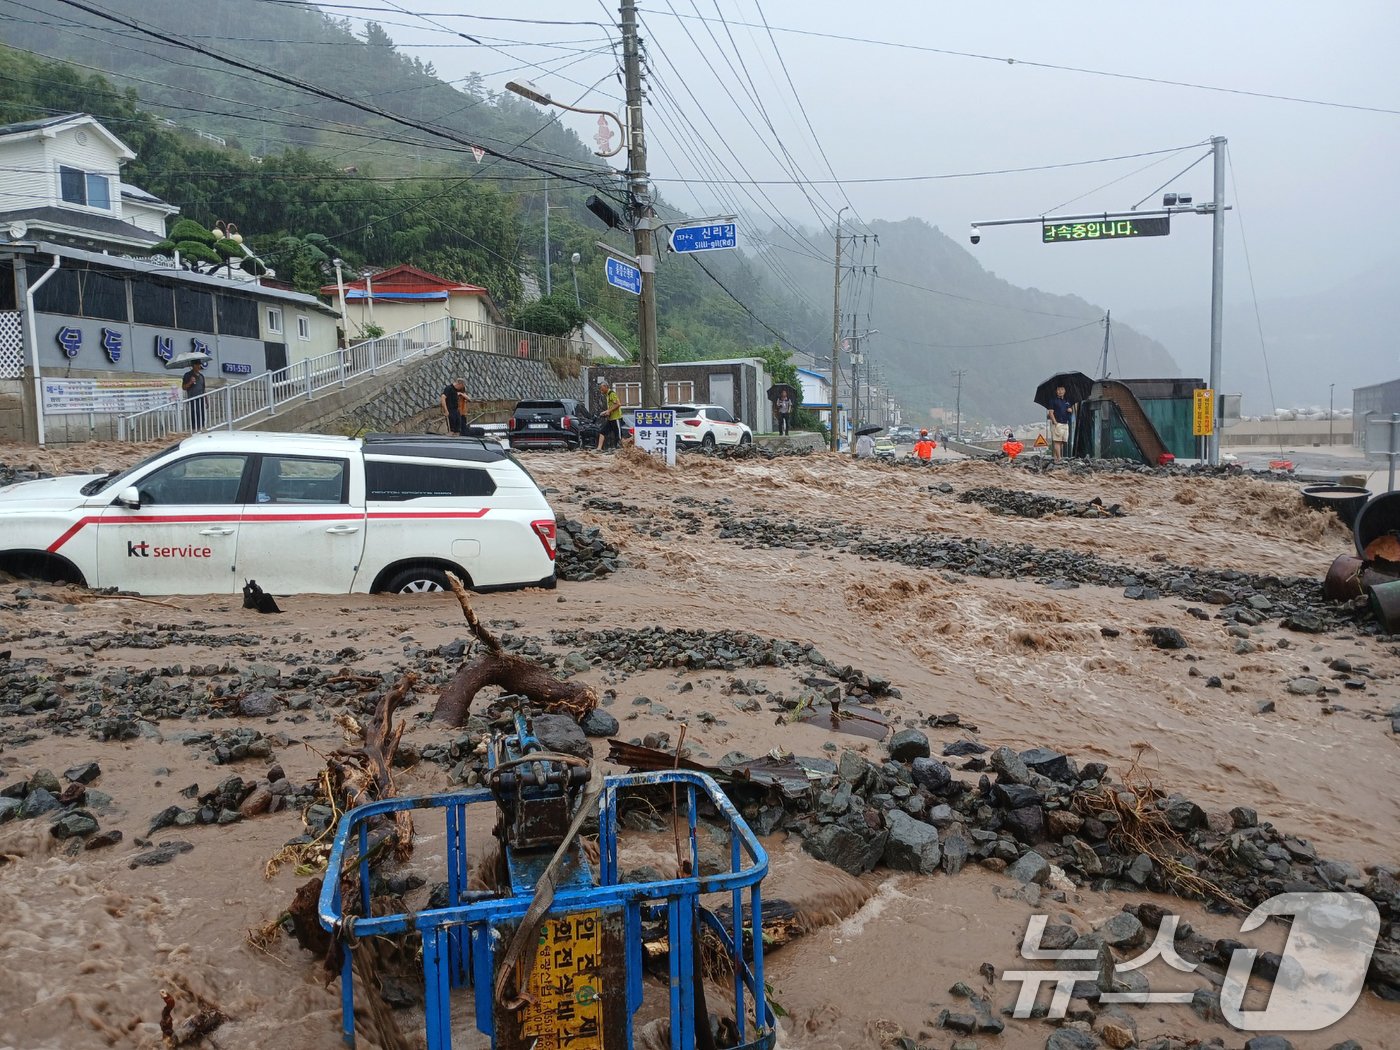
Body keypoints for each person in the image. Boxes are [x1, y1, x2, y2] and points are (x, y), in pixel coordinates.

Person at [1047, 384, 1075, 460]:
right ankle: (1059, 458)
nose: (1060, 391)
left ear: (1065, 391)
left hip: (1065, 423)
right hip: (1057, 423)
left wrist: (1070, 410)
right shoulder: (1053, 400)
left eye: (1062, 389)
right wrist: (1055, 422)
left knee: (1062, 441)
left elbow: (1069, 410)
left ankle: (1056, 456)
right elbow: (1050, 412)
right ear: (1056, 391)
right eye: (1058, 390)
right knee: (1057, 441)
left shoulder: (1067, 401)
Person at [596, 379, 623, 451]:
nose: (600, 390)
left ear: (605, 386)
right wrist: (606, 412)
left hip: (616, 418)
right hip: (610, 419)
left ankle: (620, 449)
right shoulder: (607, 395)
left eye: (601, 388)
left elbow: (618, 404)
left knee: (618, 435)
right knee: (602, 432)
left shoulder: (611, 393)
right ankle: (599, 448)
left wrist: (608, 411)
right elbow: (611, 407)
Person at [182, 358, 206, 431]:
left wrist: (206, 400)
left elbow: (203, 389)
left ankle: (201, 427)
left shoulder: (201, 376)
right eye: (197, 365)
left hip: (201, 398)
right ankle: (194, 429)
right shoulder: (187, 375)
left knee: (201, 414)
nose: (199, 366)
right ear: (193, 365)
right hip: (192, 398)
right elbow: (184, 387)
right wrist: (190, 382)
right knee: (194, 413)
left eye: (199, 365)